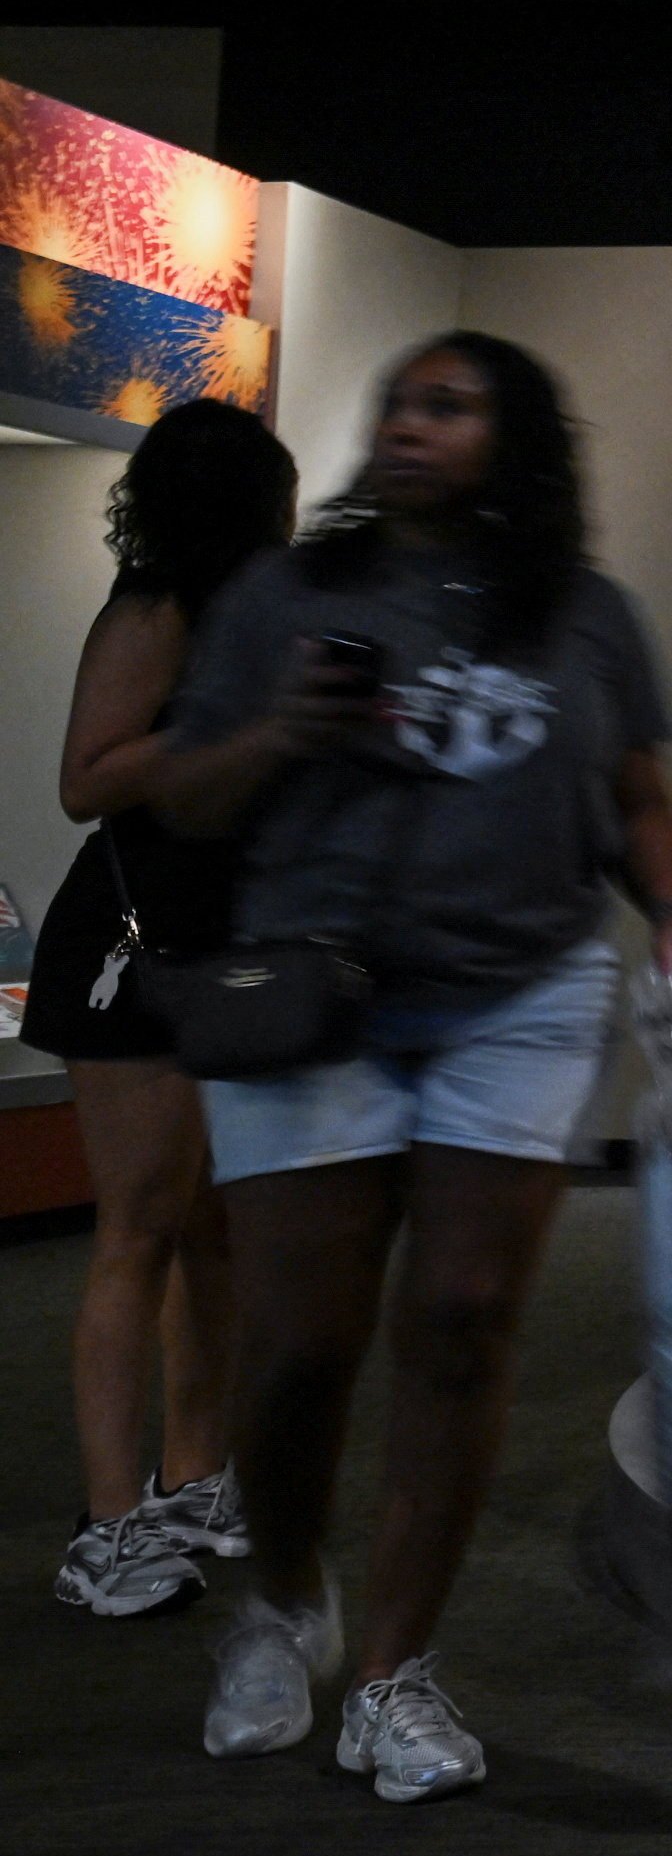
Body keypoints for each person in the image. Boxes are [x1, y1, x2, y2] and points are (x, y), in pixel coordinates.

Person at [156, 333, 672, 1801]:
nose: (409, 425)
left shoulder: (588, 615)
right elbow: (189, 799)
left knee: (467, 1318)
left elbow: (637, 797)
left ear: (515, 440)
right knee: (296, 1349)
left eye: (448, 405)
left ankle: (396, 1669)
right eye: (398, 403)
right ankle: (285, 1594)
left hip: (520, 996)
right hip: (314, 994)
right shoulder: (288, 596)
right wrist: (285, 727)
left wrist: (671, 901)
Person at [30, 401, 298, 1616]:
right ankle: (106, 1526)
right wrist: (225, 728)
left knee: (211, 1229)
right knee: (137, 1229)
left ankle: (193, 1482)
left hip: (219, 944)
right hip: (130, 949)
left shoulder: (249, 619)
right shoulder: (154, 611)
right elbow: (86, 777)